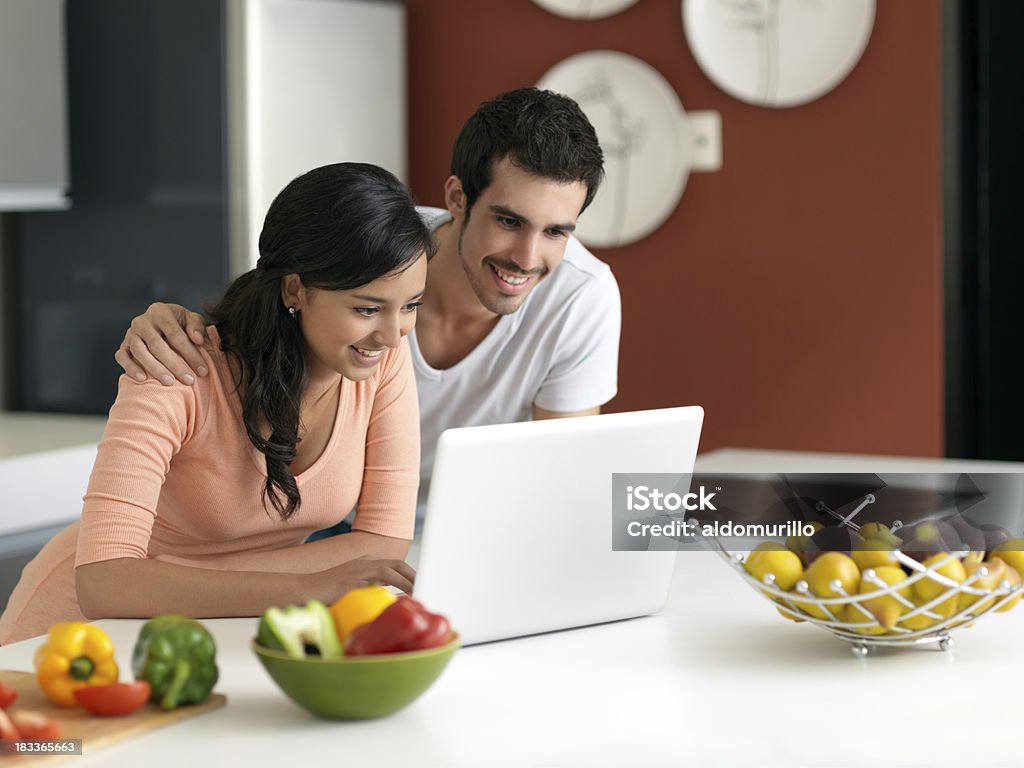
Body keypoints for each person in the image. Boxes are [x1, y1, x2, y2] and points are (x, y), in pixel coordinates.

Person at [114, 87, 621, 521]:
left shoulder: (581, 296)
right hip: (319, 515)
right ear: (457, 197)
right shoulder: (376, 243)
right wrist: (173, 324)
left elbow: (561, 478)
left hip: (469, 523)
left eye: (556, 231)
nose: (527, 258)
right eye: (508, 221)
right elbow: (273, 302)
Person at [0, 163, 429, 644]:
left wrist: (179, 578)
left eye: (411, 305)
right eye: (366, 308)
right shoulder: (176, 371)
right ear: (295, 289)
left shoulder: (381, 363)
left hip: (213, 633)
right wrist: (305, 587)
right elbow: (103, 583)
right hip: (73, 637)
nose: (393, 334)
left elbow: (384, 545)